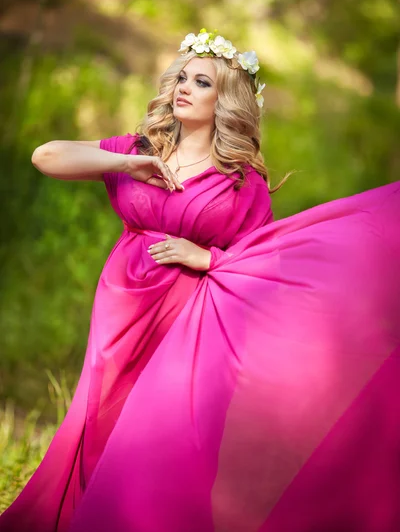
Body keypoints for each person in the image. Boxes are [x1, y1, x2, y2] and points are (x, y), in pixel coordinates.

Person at [1, 29, 399, 532]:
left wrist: (206, 257)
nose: (184, 87)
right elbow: (45, 156)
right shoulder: (142, 149)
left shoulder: (240, 179)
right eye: (181, 77)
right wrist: (128, 162)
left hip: (194, 311)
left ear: (225, 100)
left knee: (156, 426)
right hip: (122, 300)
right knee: (98, 413)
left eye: (202, 81)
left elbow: (261, 262)